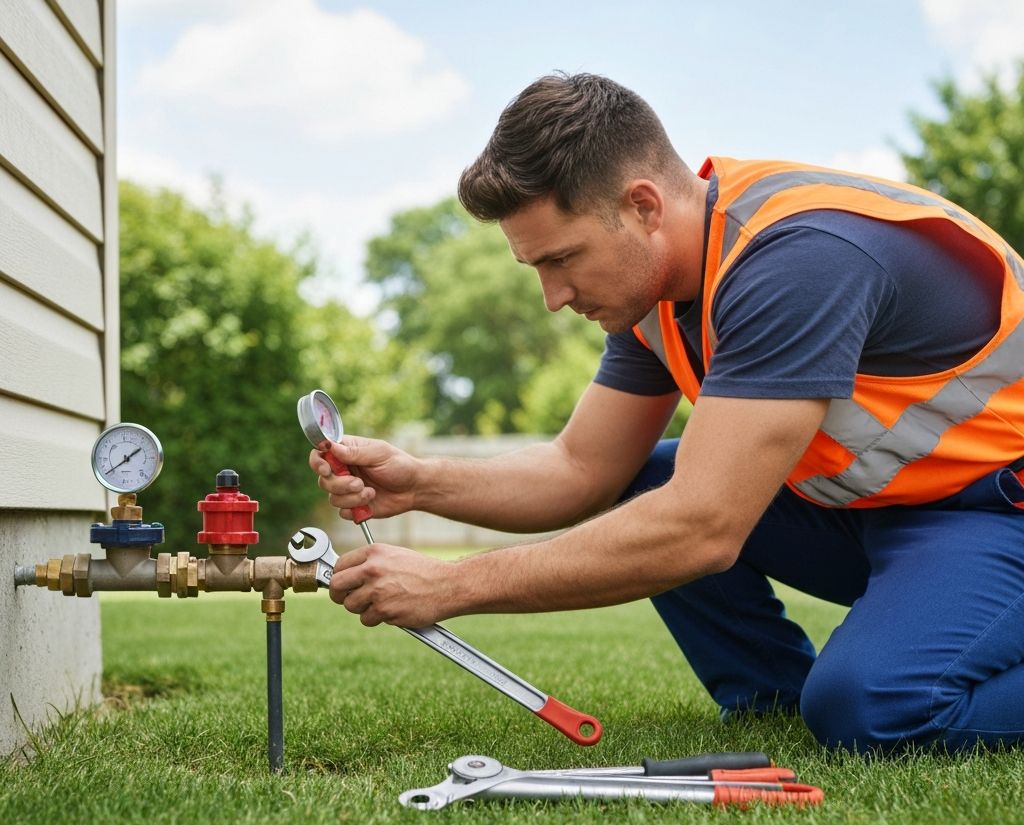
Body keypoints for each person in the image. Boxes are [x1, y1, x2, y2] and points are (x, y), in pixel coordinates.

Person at [310, 72, 1024, 754]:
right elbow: (580, 468)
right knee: (654, 477)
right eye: (536, 270)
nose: (553, 297)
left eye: (562, 259)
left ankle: (839, 699)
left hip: (997, 512)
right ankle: (771, 700)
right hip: (893, 511)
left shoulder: (798, 260)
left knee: (873, 708)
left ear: (644, 206)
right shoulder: (657, 294)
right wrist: (420, 481)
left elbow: (702, 528)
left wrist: (450, 584)